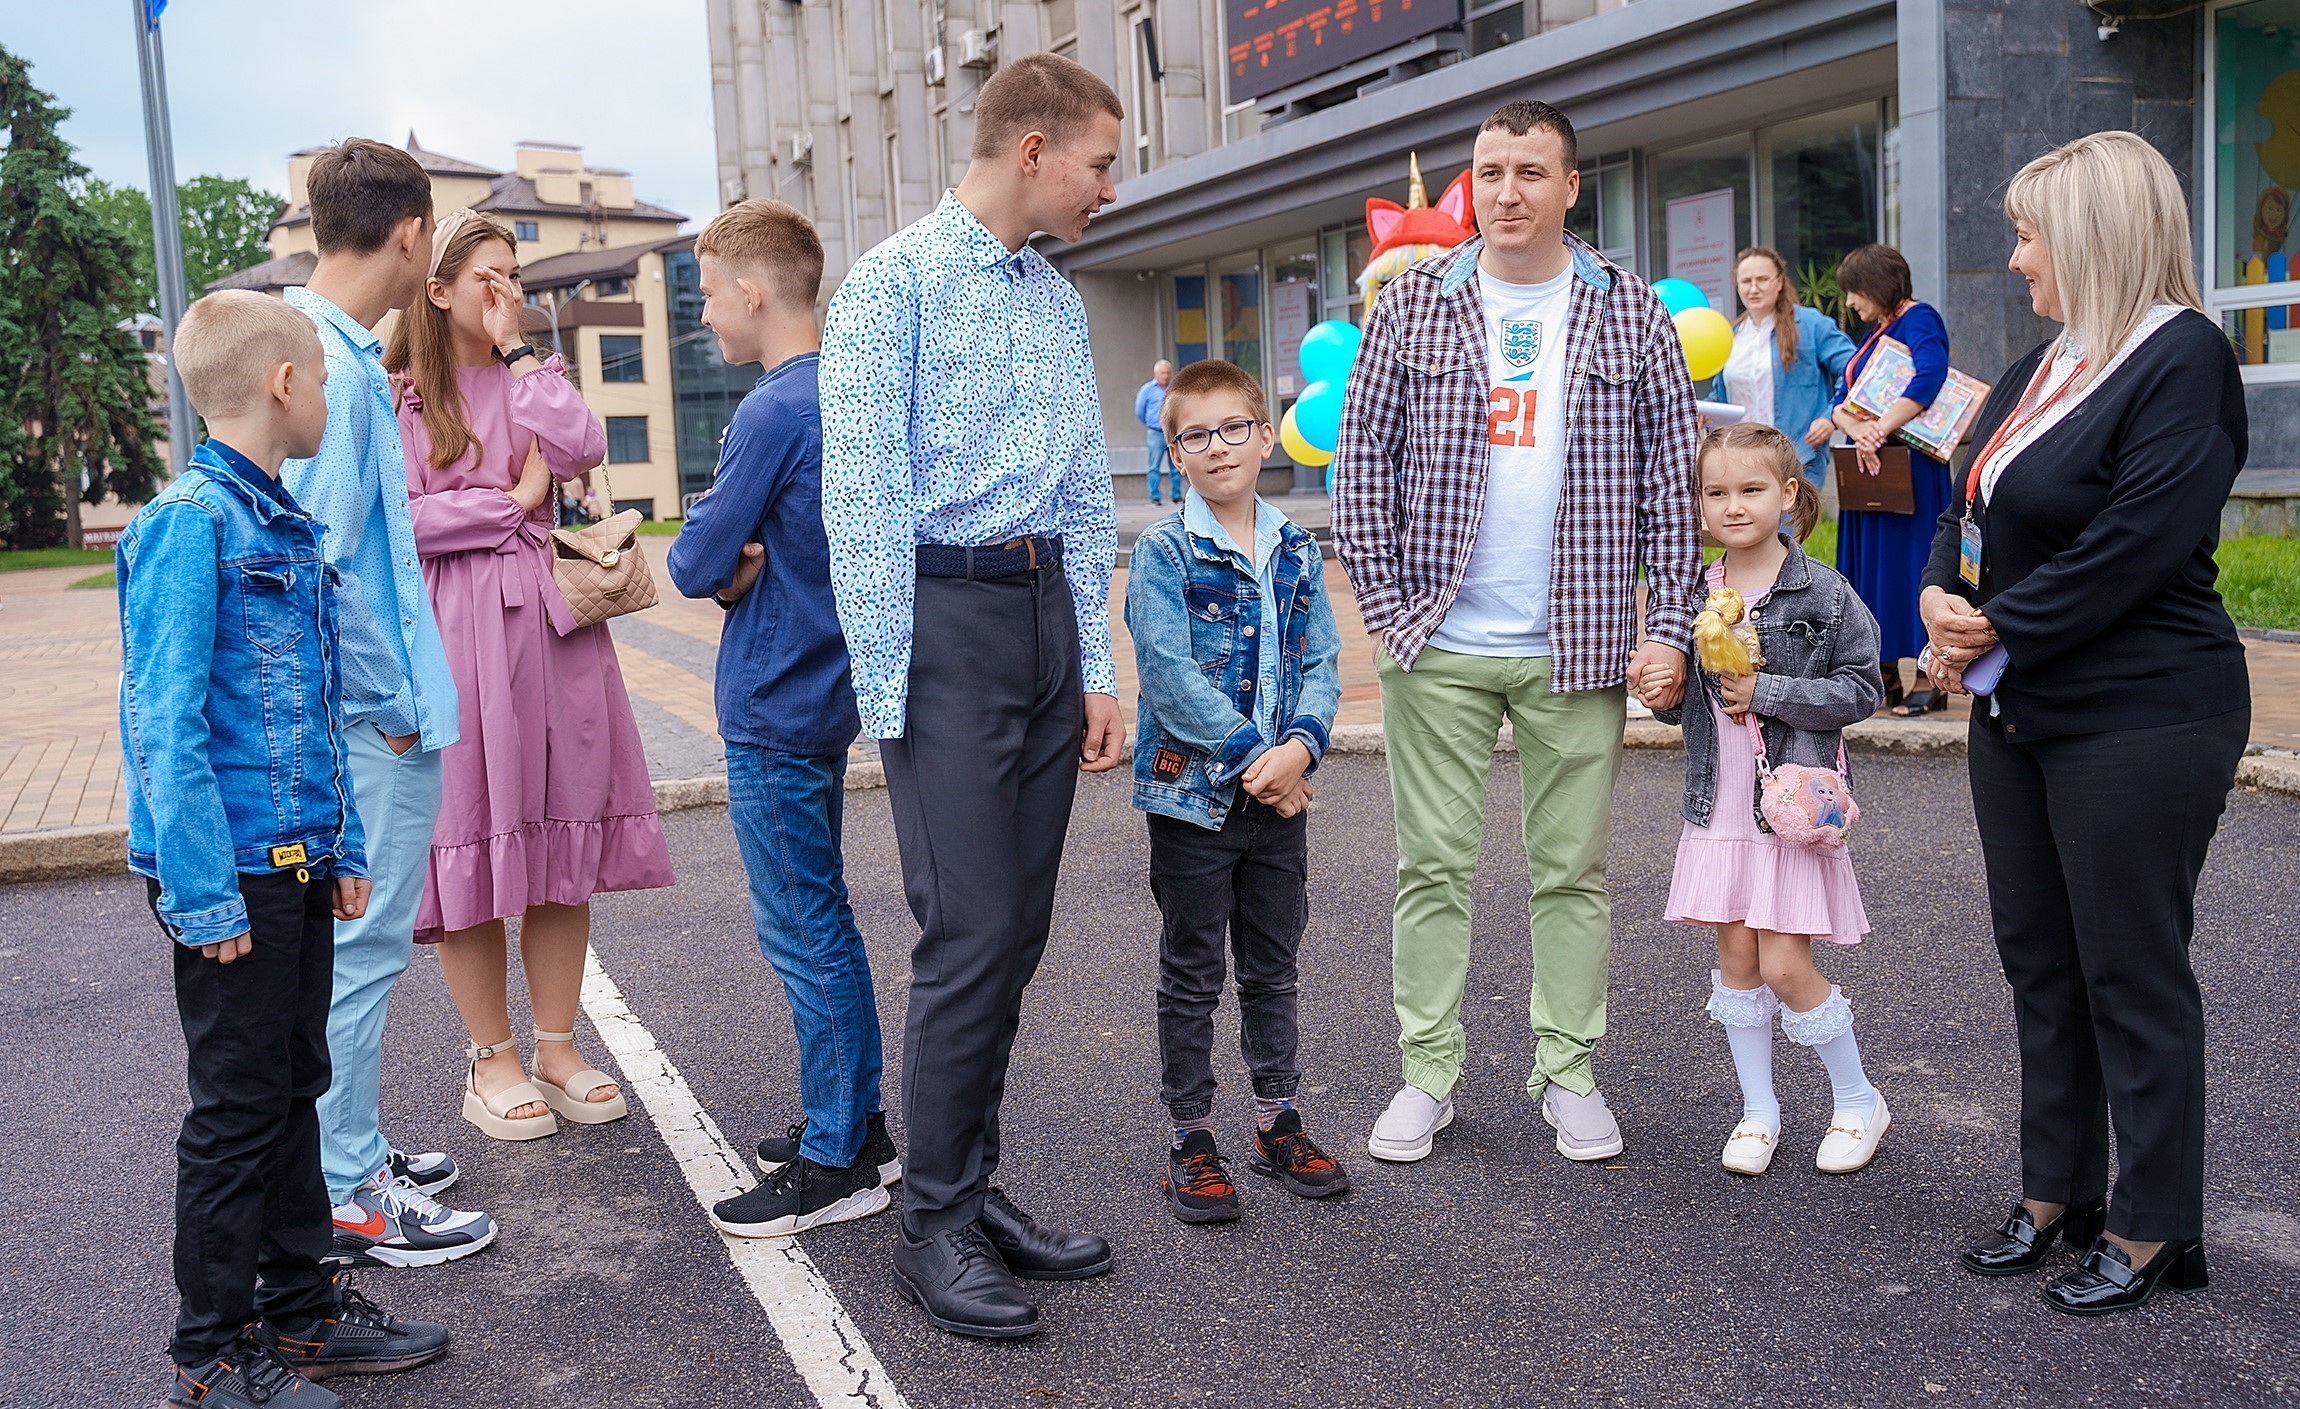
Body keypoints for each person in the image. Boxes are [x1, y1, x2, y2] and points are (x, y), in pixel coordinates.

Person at [1331, 99, 1701, 1168]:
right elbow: (1358, 473)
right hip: (1436, 639)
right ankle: (1426, 1073)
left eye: (1529, 171)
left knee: (1570, 870)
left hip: (1575, 644)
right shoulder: (1411, 309)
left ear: (1569, 186)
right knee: (1431, 866)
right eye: (1489, 171)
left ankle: (1568, 1070)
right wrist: (1396, 618)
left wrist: (1667, 627)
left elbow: (1669, 493)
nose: (1505, 192)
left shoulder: (1629, 312)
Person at [821, 52, 1125, 1340]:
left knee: (1018, 931)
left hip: (1044, 616)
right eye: (1101, 162)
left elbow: (1084, 487)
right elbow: (861, 498)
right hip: (941, 626)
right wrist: (891, 682)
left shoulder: (1054, 299)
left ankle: (970, 1181)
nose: (1110, 186)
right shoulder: (890, 283)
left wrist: (1096, 665)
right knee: (968, 931)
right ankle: (930, 1224)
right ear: (1036, 151)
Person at [1924, 133, 2250, 1316]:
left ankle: (2157, 1220)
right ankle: (2055, 1191)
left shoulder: (2183, 360)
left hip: (2142, 710)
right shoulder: (2042, 363)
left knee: (2129, 968)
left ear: (2093, 235)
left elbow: (2136, 543)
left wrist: (1984, 623)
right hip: (2017, 703)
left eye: (2026, 234)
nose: (2013, 259)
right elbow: (1967, 493)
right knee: (2041, 964)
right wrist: (1935, 592)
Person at [126, 291, 448, 1408]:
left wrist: (344, 836)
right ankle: (211, 1351)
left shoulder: (286, 524)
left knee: (295, 1083)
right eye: (318, 370)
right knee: (235, 1110)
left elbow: (312, 712)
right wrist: (203, 895)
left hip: (300, 858)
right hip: (235, 876)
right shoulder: (190, 522)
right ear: (280, 384)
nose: (329, 391)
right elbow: (161, 721)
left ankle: (300, 1313)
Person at [385, 211, 674, 1142]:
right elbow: (401, 521)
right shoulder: (403, 394)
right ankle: (490, 1057)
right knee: (468, 837)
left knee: (558, 841)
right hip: (457, 632)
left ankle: (557, 1045)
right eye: (489, 278)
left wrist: (519, 354)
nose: (507, 292)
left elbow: (584, 448)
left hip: (553, 633)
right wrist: (505, 503)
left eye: (515, 276)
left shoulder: (531, 376)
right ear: (437, 290)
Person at [665, 199, 900, 1239]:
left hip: (770, 699)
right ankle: (858, 1124)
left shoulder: (769, 409)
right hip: (827, 689)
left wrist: (729, 561)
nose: (706, 316)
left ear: (753, 292)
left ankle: (837, 1152)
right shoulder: (852, 389)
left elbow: (694, 559)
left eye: (710, 294)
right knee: (822, 916)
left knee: (804, 928)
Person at [279, 140, 495, 1271]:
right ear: (413, 235)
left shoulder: (312, 346)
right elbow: (314, 561)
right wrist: (392, 704)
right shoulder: (338, 367)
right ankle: (350, 1188)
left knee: (348, 953)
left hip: (361, 716)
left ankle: (343, 1149)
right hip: (372, 722)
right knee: (360, 953)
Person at [1124, 359, 1349, 1225]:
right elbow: (1172, 676)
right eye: (1195, 435)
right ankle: (1190, 1135)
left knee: (1272, 964)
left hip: (1276, 793)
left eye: (1232, 429)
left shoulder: (1295, 546)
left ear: (1265, 436)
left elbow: (1323, 659)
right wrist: (1261, 755)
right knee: (1191, 972)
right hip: (1196, 802)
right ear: (1174, 452)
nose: (1216, 447)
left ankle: (1276, 1120)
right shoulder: (1164, 551)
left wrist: (1303, 746)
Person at [1654, 423, 1887, 1178]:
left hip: (1786, 808)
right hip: (1718, 802)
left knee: (1788, 966)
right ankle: (1760, 1110)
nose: (1733, 505)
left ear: (1787, 494)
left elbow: (1862, 687)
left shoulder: (1822, 592)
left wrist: (1771, 690)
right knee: (1737, 960)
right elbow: (1689, 703)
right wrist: (1664, 690)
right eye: (1715, 492)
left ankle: (1856, 1098)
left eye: (1751, 489)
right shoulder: (1699, 590)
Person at [1831, 243, 1951, 716]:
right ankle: (1881, 673)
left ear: (1878, 286)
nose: (1850, 303)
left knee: (1912, 567)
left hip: (1909, 470)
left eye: (1855, 291)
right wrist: (1860, 429)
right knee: (1871, 573)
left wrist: (1878, 429)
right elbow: (1841, 400)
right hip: (1870, 468)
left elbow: (1929, 378)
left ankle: (1929, 676)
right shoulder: (1875, 333)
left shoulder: (1920, 319)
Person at [1717, 247, 1857, 501]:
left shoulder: (1811, 324)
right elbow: (1721, 395)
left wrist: (1830, 417)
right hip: (1741, 459)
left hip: (1798, 456)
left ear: (1779, 282)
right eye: (1746, 281)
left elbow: (1856, 370)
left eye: (1762, 279)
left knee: (1786, 537)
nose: (1753, 288)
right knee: (1749, 538)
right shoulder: (1731, 336)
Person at [1134, 359, 1180, 503]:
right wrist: (1151, 423)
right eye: (1162, 373)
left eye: (1167, 373)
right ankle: (1154, 497)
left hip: (1173, 432)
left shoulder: (1175, 388)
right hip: (1155, 432)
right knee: (1154, 466)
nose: (1165, 376)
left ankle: (1176, 495)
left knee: (1176, 465)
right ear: (1156, 374)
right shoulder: (1147, 390)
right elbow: (1140, 411)